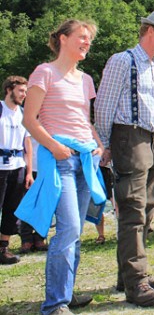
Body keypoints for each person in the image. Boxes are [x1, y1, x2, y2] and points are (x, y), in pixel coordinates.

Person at [19, 19, 105, 314]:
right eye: (82, 37)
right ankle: (54, 303)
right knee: (68, 229)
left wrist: (98, 144)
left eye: (89, 39)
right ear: (63, 39)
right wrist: (54, 146)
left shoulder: (86, 80)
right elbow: (29, 119)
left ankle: (65, 296)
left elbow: (85, 121)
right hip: (61, 159)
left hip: (86, 158)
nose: (87, 43)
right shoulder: (44, 72)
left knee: (76, 230)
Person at [95, 10, 154, 306]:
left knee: (148, 208)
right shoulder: (123, 60)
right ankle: (136, 281)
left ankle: (128, 274)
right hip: (130, 138)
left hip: (153, 140)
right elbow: (104, 104)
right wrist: (106, 143)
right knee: (132, 208)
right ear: (150, 31)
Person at [0, 76, 34, 264]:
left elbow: (27, 144)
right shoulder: (0, 110)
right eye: (21, 91)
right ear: (9, 90)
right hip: (0, 167)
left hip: (17, 166)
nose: (24, 95)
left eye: (25, 91)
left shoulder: (23, 114)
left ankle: (3, 247)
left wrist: (29, 172)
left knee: (12, 209)